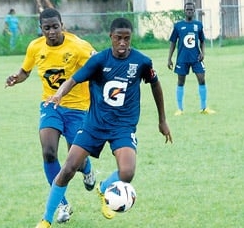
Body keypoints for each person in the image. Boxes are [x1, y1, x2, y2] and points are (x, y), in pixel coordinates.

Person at [35, 17, 172, 228]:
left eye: (127, 38)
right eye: (118, 38)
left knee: (127, 172)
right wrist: (59, 94)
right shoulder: (99, 61)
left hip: (123, 127)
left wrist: (162, 120)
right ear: (111, 37)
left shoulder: (142, 61)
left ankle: (104, 188)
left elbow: (155, 84)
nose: (123, 43)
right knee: (69, 168)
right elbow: (74, 79)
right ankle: (46, 219)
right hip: (94, 125)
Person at [5, 8, 96, 223]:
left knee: (77, 161)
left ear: (62, 25)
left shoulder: (79, 46)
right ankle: (63, 204)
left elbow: (99, 64)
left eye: (56, 27)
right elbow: (26, 70)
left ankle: (88, 171)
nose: (52, 32)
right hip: (51, 105)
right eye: (47, 28)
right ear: (41, 29)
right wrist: (16, 78)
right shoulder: (35, 47)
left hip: (78, 108)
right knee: (48, 152)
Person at [167, 2, 215, 115]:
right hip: (182, 59)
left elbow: (202, 41)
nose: (189, 11)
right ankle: (180, 109)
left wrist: (203, 53)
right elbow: (173, 43)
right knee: (181, 82)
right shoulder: (178, 26)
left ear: (194, 11)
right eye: (187, 9)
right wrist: (169, 58)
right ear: (184, 11)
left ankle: (204, 108)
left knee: (202, 79)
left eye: (191, 9)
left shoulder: (198, 25)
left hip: (196, 58)